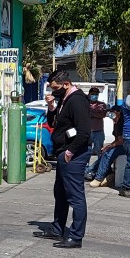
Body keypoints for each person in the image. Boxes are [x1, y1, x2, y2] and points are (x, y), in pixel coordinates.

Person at [33, 70, 91, 248]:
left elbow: (84, 132)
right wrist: (51, 107)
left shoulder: (77, 100)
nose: (53, 91)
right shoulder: (65, 99)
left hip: (73, 153)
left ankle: (76, 236)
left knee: (75, 196)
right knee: (61, 193)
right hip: (63, 151)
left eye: (56, 87)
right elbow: (53, 123)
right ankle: (57, 228)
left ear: (66, 84)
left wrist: (70, 152)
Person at [89, 106, 125, 188]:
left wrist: (110, 146)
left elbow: (121, 141)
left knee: (108, 153)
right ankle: (106, 173)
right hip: (120, 144)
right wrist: (109, 146)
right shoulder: (116, 123)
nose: (110, 114)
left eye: (113, 112)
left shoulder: (122, 123)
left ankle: (98, 177)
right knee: (103, 152)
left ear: (118, 113)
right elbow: (116, 139)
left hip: (126, 146)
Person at [84, 87, 109, 181]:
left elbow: (102, 115)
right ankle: (85, 170)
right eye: (93, 93)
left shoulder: (102, 104)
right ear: (89, 94)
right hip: (87, 131)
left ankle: (97, 170)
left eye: (96, 94)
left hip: (98, 131)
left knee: (100, 151)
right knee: (86, 151)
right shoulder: (85, 104)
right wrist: (94, 113)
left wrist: (91, 114)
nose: (94, 95)